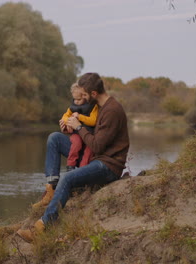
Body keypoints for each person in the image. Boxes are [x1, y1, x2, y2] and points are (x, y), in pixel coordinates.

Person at [17, 73, 130, 242]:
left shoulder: (112, 110)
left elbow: (97, 145)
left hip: (108, 165)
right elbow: (87, 132)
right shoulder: (98, 106)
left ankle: (42, 227)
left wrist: (78, 127)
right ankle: (51, 188)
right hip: (94, 156)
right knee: (55, 138)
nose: (81, 99)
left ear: (93, 93)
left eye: (84, 95)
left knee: (68, 178)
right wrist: (68, 127)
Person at [60, 83, 98, 172]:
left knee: (88, 152)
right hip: (76, 134)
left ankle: (82, 170)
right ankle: (70, 166)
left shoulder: (93, 106)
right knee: (76, 144)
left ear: (85, 96)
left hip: (89, 134)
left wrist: (79, 117)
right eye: (74, 99)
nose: (76, 101)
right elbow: (64, 117)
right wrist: (68, 122)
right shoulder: (73, 106)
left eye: (79, 99)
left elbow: (93, 121)